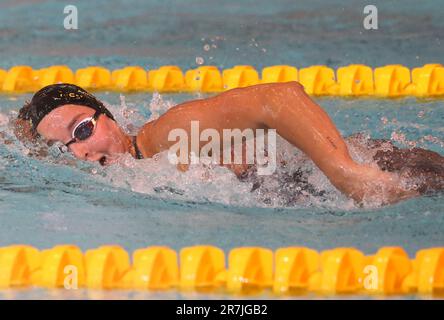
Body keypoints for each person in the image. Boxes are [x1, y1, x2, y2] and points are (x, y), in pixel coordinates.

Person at [13, 82, 443, 205]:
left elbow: (280, 98)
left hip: (376, 165)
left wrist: (346, 172)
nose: (83, 153)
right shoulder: (132, 173)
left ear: (110, 116)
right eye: (64, 148)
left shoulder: (164, 136)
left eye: (84, 130)